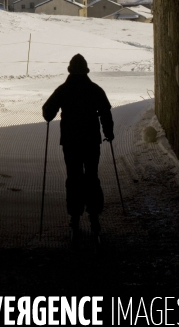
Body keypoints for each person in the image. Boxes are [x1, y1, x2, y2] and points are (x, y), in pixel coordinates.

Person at [42, 54, 114, 237]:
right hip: (91, 141)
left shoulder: (63, 90)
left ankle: (75, 217)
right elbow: (105, 111)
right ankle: (94, 216)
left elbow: (48, 112)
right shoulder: (95, 89)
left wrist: (51, 114)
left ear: (70, 70)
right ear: (86, 70)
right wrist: (109, 132)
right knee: (91, 176)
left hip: (71, 141)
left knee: (74, 177)